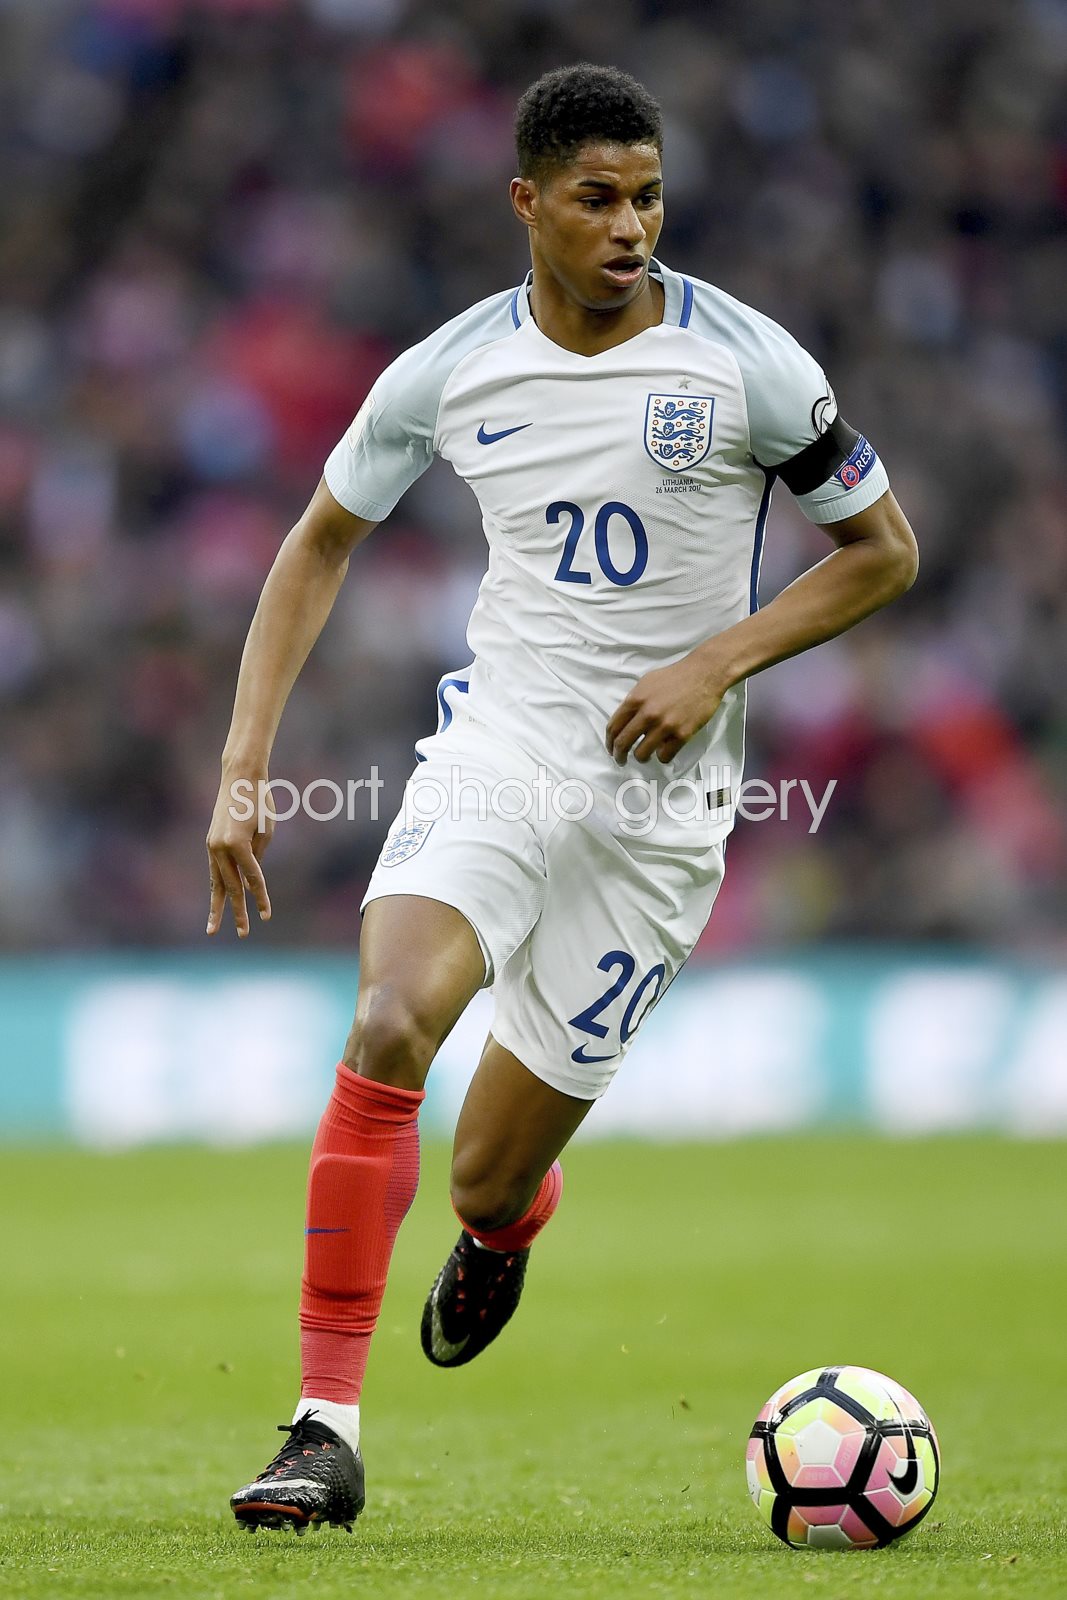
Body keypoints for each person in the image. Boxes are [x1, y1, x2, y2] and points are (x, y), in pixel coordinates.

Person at [207, 62, 918, 1534]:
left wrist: (716, 661)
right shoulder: (448, 370)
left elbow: (883, 551)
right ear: (527, 202)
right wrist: (242, 766)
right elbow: (319, 539)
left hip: (658, 820)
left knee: (483, 1180)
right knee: (390, 1020)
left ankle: (506, 1227)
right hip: (503, 750)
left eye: (649, 197)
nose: (631, 228)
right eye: (599, 199)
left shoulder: (752, 366)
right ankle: (323, 1431)